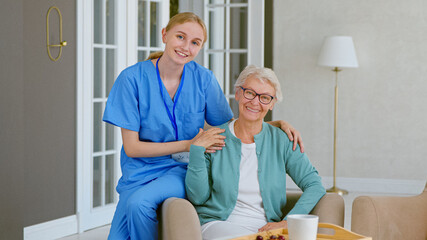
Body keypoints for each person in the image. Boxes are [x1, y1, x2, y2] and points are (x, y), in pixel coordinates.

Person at [103, 12, 304, 240]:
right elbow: (132, 148)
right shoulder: (131, 79)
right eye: (180, 37)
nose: (186, 46)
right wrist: (190, 144)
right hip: (138, 172)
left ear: (200, 47)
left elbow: (228, 127)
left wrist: (271, 123)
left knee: (139, 204)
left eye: (195, 42)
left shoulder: (204, 79)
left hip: (181, 169)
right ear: (165, 35)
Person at [185, 65, 326, 240]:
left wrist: (287, 222)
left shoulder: (282, 140)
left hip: (266, 229)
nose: (255, 102)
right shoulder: (214, 138)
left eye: (265, 97)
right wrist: (197, 151)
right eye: (249, 93)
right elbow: (197, 198)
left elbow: (314, 184)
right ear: (238, 93)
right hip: (218, 224)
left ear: (272, 104)